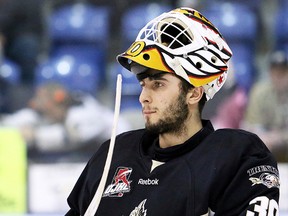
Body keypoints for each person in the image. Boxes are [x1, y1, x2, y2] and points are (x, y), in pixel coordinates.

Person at [66, 7, 280, 215]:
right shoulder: (112, 154)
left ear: (195, 93)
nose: (143, 97)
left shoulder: (238, 158)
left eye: (158, 84)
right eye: (143, 84)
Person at [0, 82, 131, 161]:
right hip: (94, 156)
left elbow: (71, 138)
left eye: (44, 100)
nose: (39, 105)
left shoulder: (85, 110)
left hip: (124, 152)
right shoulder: (49, 113)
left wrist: (35, 135)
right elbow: (24, 118)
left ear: (58, 100)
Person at [242, 50, 288, 162]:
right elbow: (251, 125)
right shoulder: (259, 91)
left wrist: (279, 137)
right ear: (270, 72)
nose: (279, 76)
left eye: (283, 72)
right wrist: (265, 137)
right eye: (275, 72)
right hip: (265, 141)